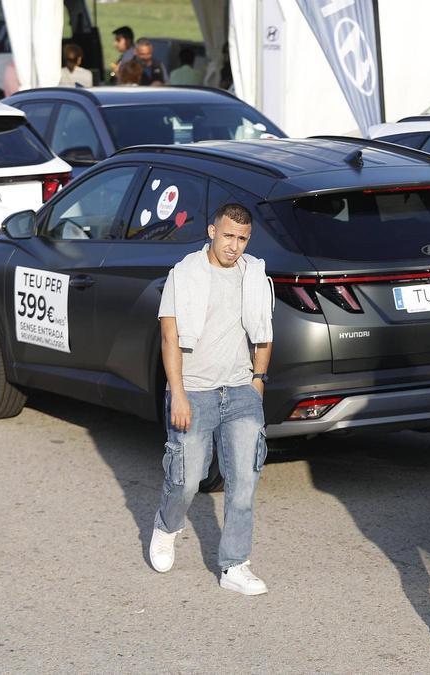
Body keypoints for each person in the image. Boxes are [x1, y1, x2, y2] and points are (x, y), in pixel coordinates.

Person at [149, 203, 275, 596]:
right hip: (195, 390)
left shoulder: (254, 275)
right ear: (211, 231)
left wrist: (258, 382)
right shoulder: (184, 274)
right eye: (227, 236)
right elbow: (169, 337)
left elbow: (264, 333)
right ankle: (167, 526)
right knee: (186, 481)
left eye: (241, 239)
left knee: (244, 483)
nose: (234, 246)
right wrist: (179, 394)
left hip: (240, 391)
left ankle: (235, 565)